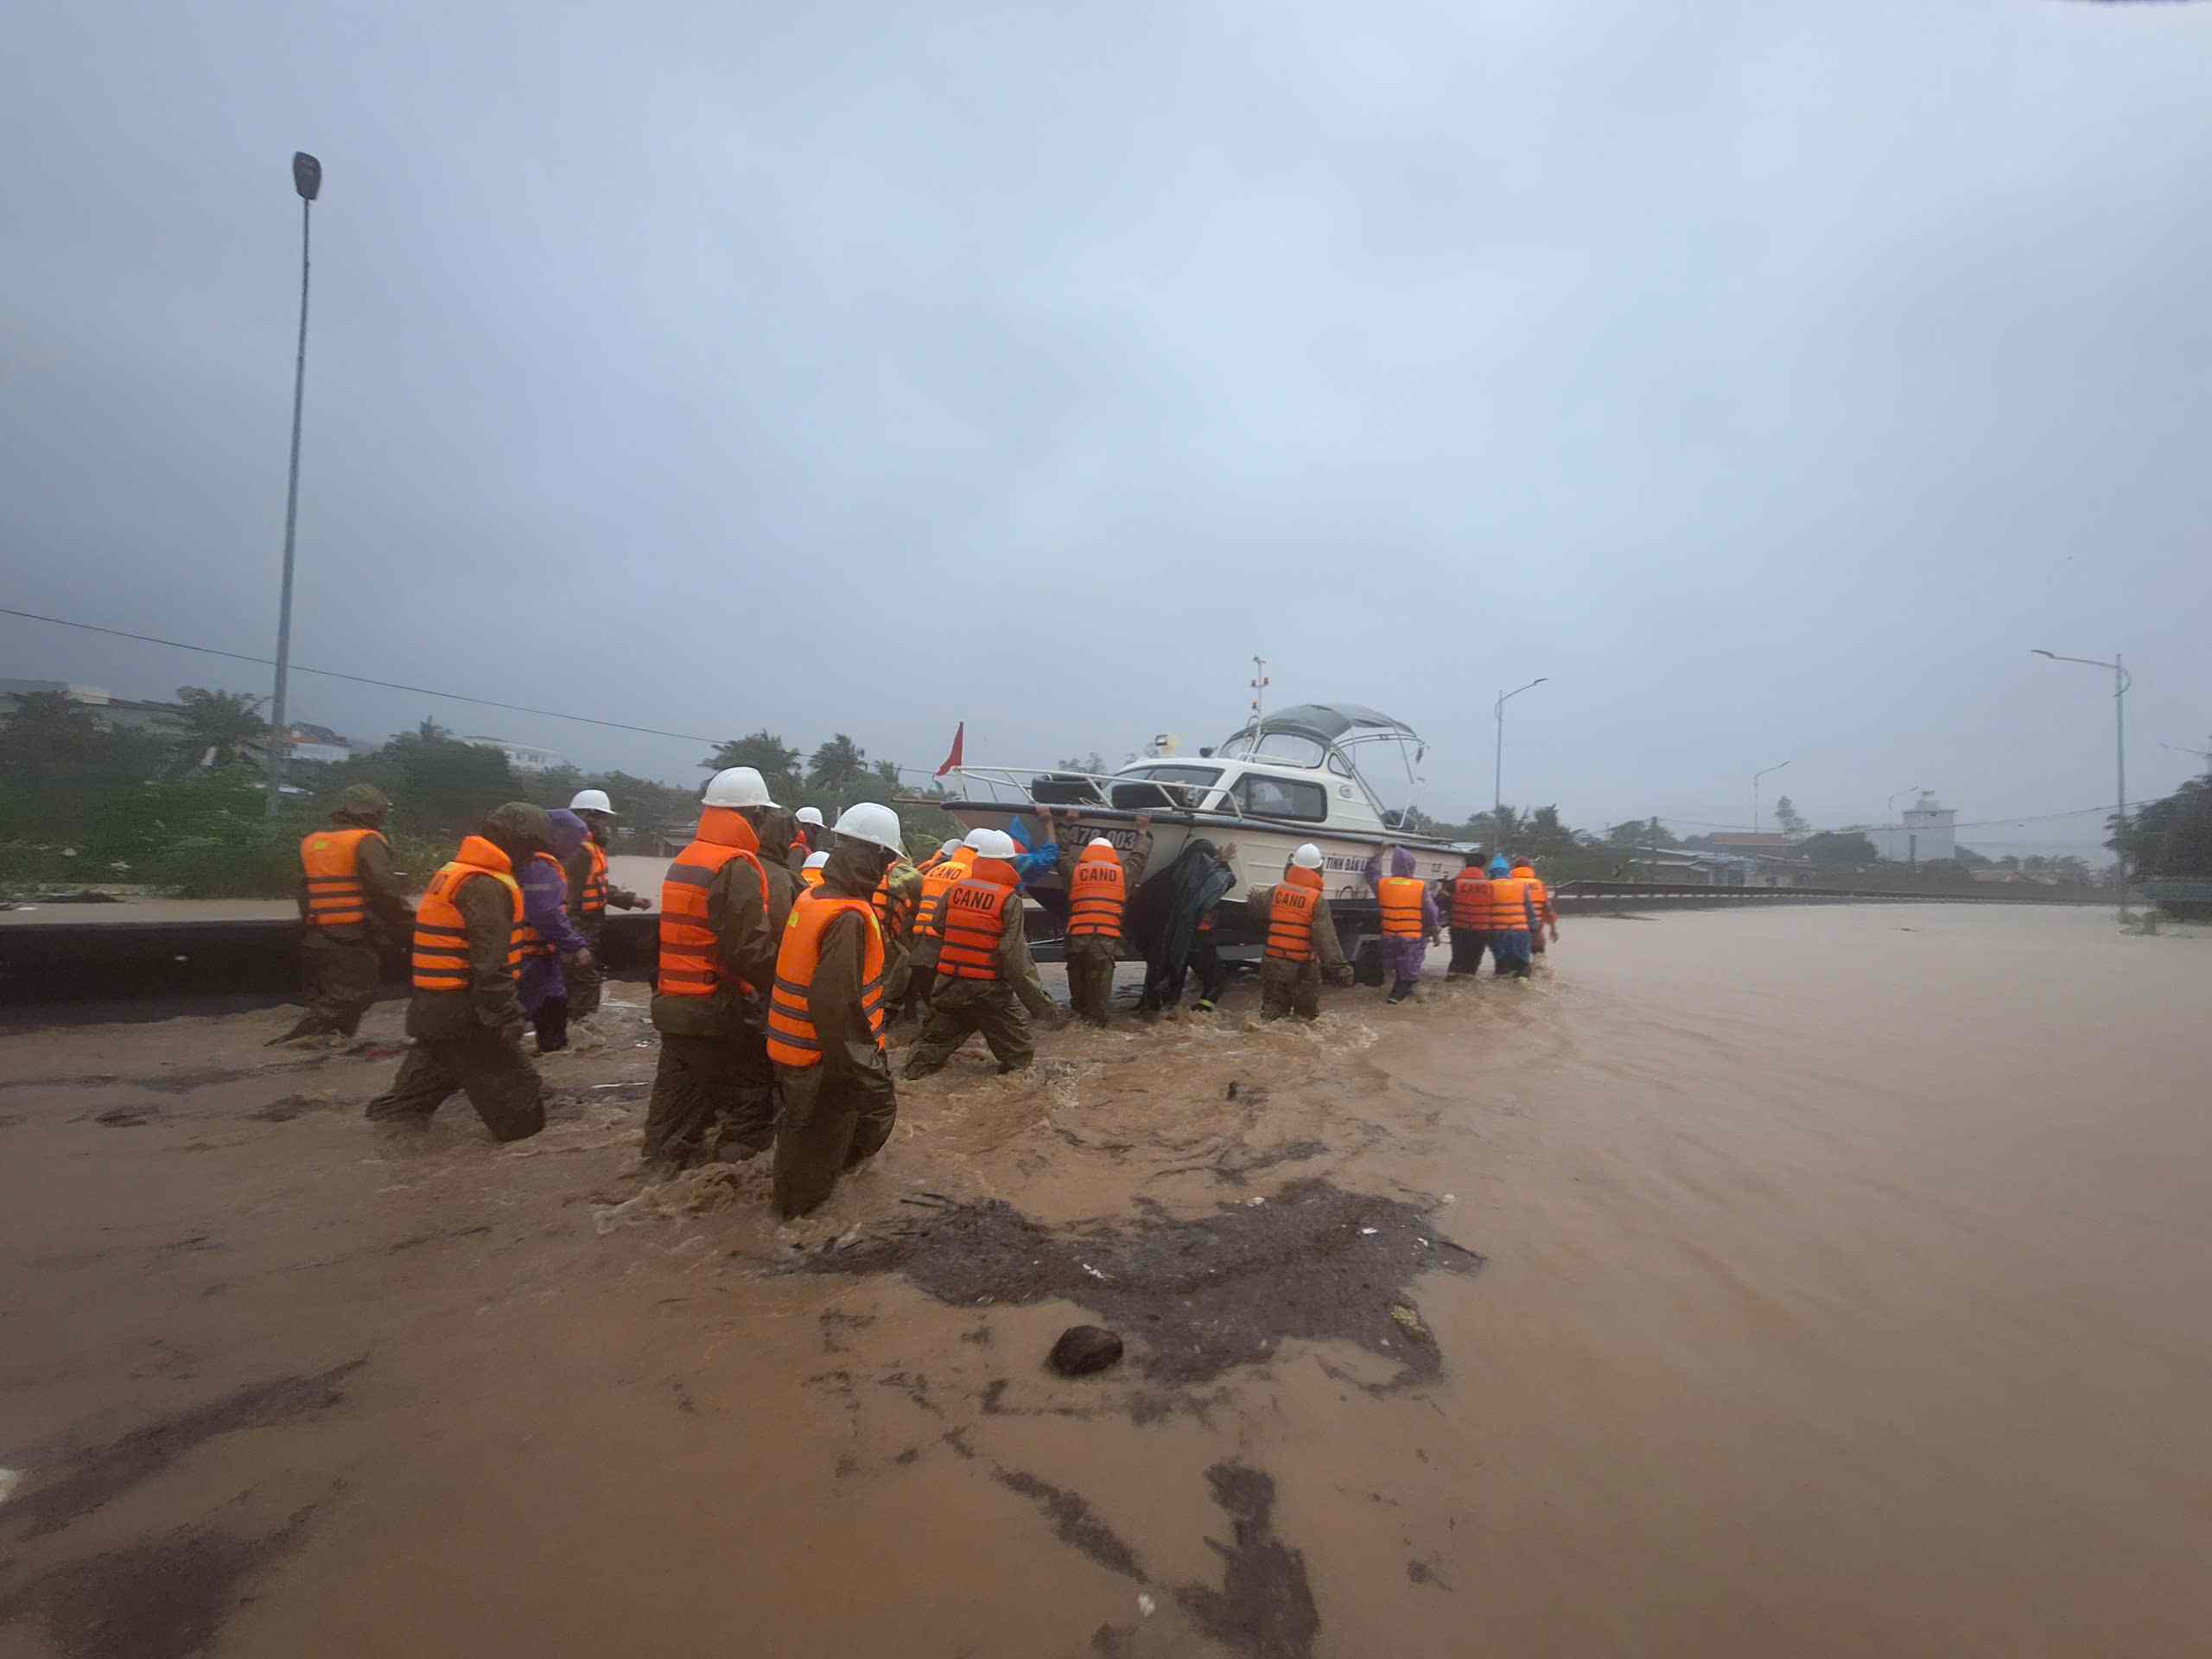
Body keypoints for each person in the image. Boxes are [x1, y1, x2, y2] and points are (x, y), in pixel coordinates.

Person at [364, 803, 553, 1141]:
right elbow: (489, 965)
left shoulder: (457, 871)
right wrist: (506, 1017)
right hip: (465, 1017)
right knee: (524, 1117)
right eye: (532, 847)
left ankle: (386, 1155)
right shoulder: (485, 885)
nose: (533, 857)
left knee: (403, 1110)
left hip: (433, 1012)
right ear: (513, 841)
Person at [640, 766, 785, 1168]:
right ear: (753, 814)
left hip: (673, 1003)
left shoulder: (689, 857)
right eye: (763, 816)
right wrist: (788, 985)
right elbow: (748, 950)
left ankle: (660, 1170)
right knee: (752, 1092)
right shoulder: (735, 865)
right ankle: (731, 1183)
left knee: (677, 1101)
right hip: (714, 1007)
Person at [769, 803, 907, 1216]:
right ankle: (795, 1240)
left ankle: (794, 1212)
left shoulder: (812, 897)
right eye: (885, 860)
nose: (885, 871)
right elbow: (835, 1007)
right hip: (825, 1063)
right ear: (875, 857)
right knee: (814, 1162)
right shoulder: (848, 917)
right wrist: (867, 1073)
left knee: (802, 1142)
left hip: (793, 1054)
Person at [902, 829, 1057, 1077]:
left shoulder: (956, 889)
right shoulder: (1009, 899)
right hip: (989, 991)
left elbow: (937, 925)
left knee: (927, 1052)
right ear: (1010, 863)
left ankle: (911, 1079)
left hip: (950, 984)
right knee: (1019, 1058)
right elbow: (1015, 957)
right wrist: (1041, 1005)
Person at [276, 783, 412, 1043]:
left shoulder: (315, 842)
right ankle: (301, 1044)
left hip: (316, 937)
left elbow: (305, 892)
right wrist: (409, 923)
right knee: (352, 995)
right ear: (372, 813)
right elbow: (384, 891)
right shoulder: (365, 841)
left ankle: (317, 1043)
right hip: (350, 937)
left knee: (329, 999)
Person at [1052, 811, 1153, 1025]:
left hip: (1076, 943)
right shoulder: (1122, 874)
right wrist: (1142, 831)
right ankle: (1096, 1034)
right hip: (1104, 945)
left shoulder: (1076, 872)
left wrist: (1066, 824)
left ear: (1087, 854)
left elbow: (1059, 854)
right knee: (1099, 1007)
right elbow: (1139, 858)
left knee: (1078, 1003)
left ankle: (1076, 1036)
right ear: (1112, 855)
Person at [563, 788, 646, 1021]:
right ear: (591, 816)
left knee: (582, 980)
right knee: (585, 981)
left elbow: (597, 888)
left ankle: (574, 1031)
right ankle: (581, 1032)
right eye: (603, 818)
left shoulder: (591, 848)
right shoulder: (579, 851)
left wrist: (630, 900)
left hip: (587, 926)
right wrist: (571, 942)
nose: (606, 824)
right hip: (577, 928)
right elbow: (566, 898)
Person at [516, 809, 594, 1053]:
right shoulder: (538, 866)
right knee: (518, 1012)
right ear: (553, 836)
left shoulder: (544, 864)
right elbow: (545, 913)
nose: (576, 847)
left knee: (554, 1003)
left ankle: (553, 1052)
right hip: (529, 955)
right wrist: (575, 945)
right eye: (572, 839)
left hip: (543, 953)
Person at [1243, 843, 1353, 1019]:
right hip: (1302, 968)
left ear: (1292, 866)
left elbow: (1256, 907)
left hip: (1273, 964)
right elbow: (1325, 939)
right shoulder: (1316, 900)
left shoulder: (1276, 891)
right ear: (1319, 869)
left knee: (1272, 1014)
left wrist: (1252, 895)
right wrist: (1341, 970)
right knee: (1305, 1018)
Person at [1130, 838, 1238, 1014]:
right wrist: (1223, 862)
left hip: (1164, 944)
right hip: (1198, 942)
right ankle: (1198, 1016)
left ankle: (1151, 1017)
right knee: (1216, 981)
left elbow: (1139, 905)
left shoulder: (1163, 879)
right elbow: (1229, 881)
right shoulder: (1210, 880)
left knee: (1164, 985)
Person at [898, 832, 976, 1023]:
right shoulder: (967, 873)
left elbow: (916, 901)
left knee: (920, 977)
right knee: (942, 984)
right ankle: (936, 1020)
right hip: (941, 935)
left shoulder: (931, 871)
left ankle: (913, 1016)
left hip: (918, 931)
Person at [1367, 845, 1440, 1004]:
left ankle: (1399, 990)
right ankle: (1398, 995)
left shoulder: (1383, 884)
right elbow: (1430, 912)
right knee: (1408, 971)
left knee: (1396, 967)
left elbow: (1372, 874)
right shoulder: (1419, 887)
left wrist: (1378, 855)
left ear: (1393, 866)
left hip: (1389, 936)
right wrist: (1435, 932)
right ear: (1412, 866)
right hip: (1412, 938)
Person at [1486, 854, 1538, 979]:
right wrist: (1534, 927)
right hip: (1521, 932)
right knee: (1522, 967)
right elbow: (1529, 909)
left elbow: (1484, 911)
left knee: (1502, 967)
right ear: (1507, 871)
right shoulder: (1521, 886)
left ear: (1492, 872)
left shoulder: (1488, 886)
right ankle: (1522, 988)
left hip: (1497, 933)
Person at [1446, 850, 1492, 979]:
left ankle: (1451, 979)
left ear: (1466, 864)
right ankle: (1469, 980)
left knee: (1457, 959)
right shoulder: (1490, 885)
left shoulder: (1454, 883)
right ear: (1483, 866)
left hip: (1459, 927)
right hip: (1481, 929)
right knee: (1472, 964)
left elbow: (1442, 899)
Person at [1513, 859, 1560, 957]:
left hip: (1515, 928)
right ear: (1530, 868)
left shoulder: (1510, 884)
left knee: (1516, 962)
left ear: (1514, 868)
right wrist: (1553, 929)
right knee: (1539, 958)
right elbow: (1548, 909)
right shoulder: (1539, 884)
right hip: (1536, 929)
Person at [787, 805, 827, 874]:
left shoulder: (801, 848)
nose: (817, 833)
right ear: (803, 826)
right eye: (816, 829)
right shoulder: (797, 850)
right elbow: (793, 876)